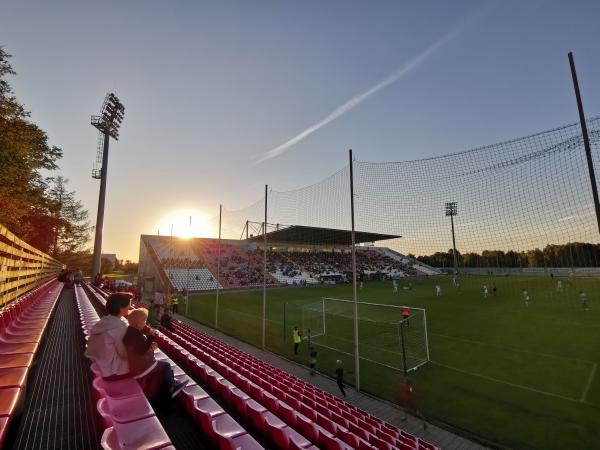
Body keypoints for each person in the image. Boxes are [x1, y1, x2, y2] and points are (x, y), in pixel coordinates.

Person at [123, 308, 188, 407]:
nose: (145, 323)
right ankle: (172, 389)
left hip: (136, 365)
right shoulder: (134, 334)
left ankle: (170, 385)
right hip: (141, 367)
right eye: (144, 321)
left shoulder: (130, 331)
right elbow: (140, 351)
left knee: (167, 370)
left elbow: (138, 349)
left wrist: (150, 347)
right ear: (137, 322)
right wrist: (150, 337)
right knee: (166, 365)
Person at [84, 292, 133, 380]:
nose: (130, 307)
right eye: (129, 305)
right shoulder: (120, 326)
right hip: (108, 369)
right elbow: (122, 353)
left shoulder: (104, 320)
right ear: (121, 309)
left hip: (95, 360)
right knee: (139, 365)